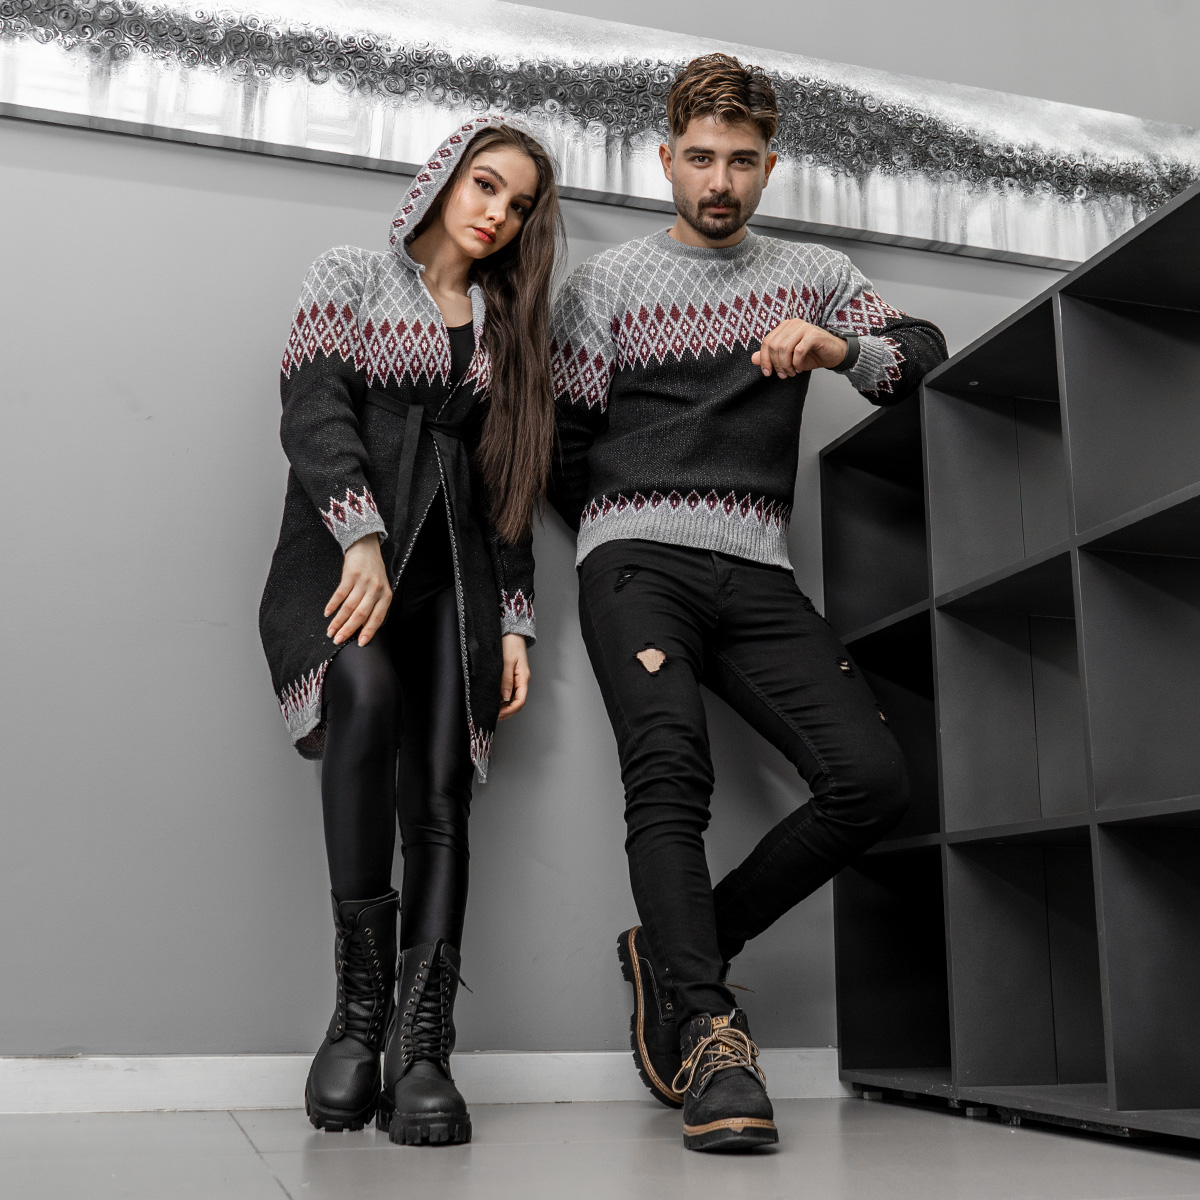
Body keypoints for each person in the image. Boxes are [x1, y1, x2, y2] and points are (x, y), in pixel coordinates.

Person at [549, 54, 947, 1151]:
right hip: (636, 562)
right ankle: (713, 1034)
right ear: (665, 159)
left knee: (872, 782)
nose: (718, 181)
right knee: (672, 773)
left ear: (770, 165)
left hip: (759, 570)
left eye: (739, 160)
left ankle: (676, 954)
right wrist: (623, 529)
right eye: (700, 158)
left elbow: (920, 353)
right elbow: (561, 449)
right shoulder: (607, 285)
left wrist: (838, 347)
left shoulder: (814, 274)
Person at [259, 114, 563, 1146]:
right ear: (443, 178)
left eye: (518, 204)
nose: (497, 214)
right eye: (486, 185)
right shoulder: (349, 274)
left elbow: (506, 488)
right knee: (364, 695)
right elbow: (311, 408)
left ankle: (422, 1047)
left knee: (438, 789)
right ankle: (358, 1017)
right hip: (347, 561)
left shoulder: (506, 328)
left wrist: (514, 622)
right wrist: (359, 537)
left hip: (457, 585)